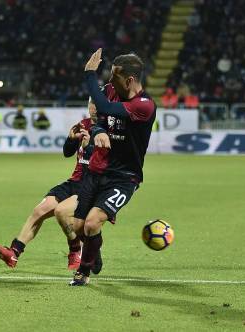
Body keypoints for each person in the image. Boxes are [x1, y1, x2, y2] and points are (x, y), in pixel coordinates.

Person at [66, 49, 156, 286]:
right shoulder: (109, 90)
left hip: (124, 177)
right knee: (77, 227)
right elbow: (98, 120)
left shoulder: (144, 105)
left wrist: (89, 75)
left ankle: (83, 272)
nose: (109, 80)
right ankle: (95, 250)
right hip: (96, 169)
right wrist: (98, 131)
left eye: (114, 76)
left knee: (93, 222)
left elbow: (105, 108)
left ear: (130, 80)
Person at [0, 99, 97, 269]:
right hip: (74, 181)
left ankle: (75, 250)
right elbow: (67, 153)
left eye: (98, 104)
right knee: (39, 210)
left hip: (92, 185)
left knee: (61, 212)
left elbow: (107, 162)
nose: (94, 108)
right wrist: (71, 139)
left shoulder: (108, 130)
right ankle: (14, 252)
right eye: (92, 104)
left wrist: (90, 146)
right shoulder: (83, 124)